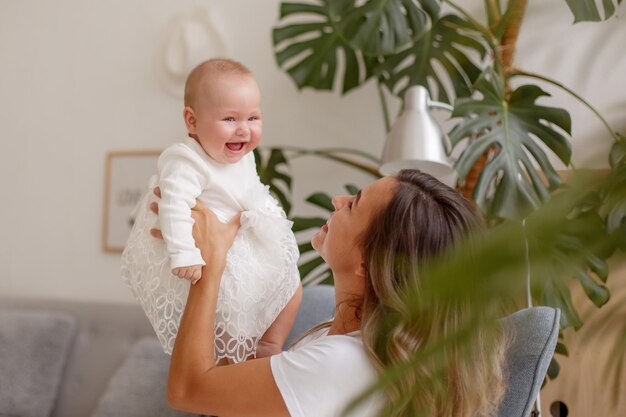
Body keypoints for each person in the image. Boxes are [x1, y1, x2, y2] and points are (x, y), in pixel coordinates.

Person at [153, 170, 508, 417]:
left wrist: (209, 269)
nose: (338, 200)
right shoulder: (351, 340)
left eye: (353, 204)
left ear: (369, 263)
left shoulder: (344, 362)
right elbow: (262, 395)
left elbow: (186, 391)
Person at [121, 58, 302, 363]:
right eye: (230, 119)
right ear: (192, 121)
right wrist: (184, 255)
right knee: (231, 318)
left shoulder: (244, 157)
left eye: (253, 118)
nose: (243, 130)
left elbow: (251, 189)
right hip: (208, 260)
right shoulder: (185, 161)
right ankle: (227, 364)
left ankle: (270, 344)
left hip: (244, 245)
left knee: (293, 285)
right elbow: (174, 206)